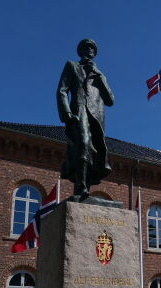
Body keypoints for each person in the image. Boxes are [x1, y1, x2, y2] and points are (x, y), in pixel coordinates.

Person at [57, 39, 114, 199]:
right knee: (83, 143)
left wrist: (99, 77)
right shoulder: (72, 66)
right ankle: (80, 187)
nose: (89, 49)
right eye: (86, 47)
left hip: (97, 116)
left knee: (94, 151)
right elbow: (62, 90)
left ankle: (86, 187)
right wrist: (66, 112)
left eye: (92, 48)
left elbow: (110, 100)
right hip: (78, 111)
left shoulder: (99, 74)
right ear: (80, 51)